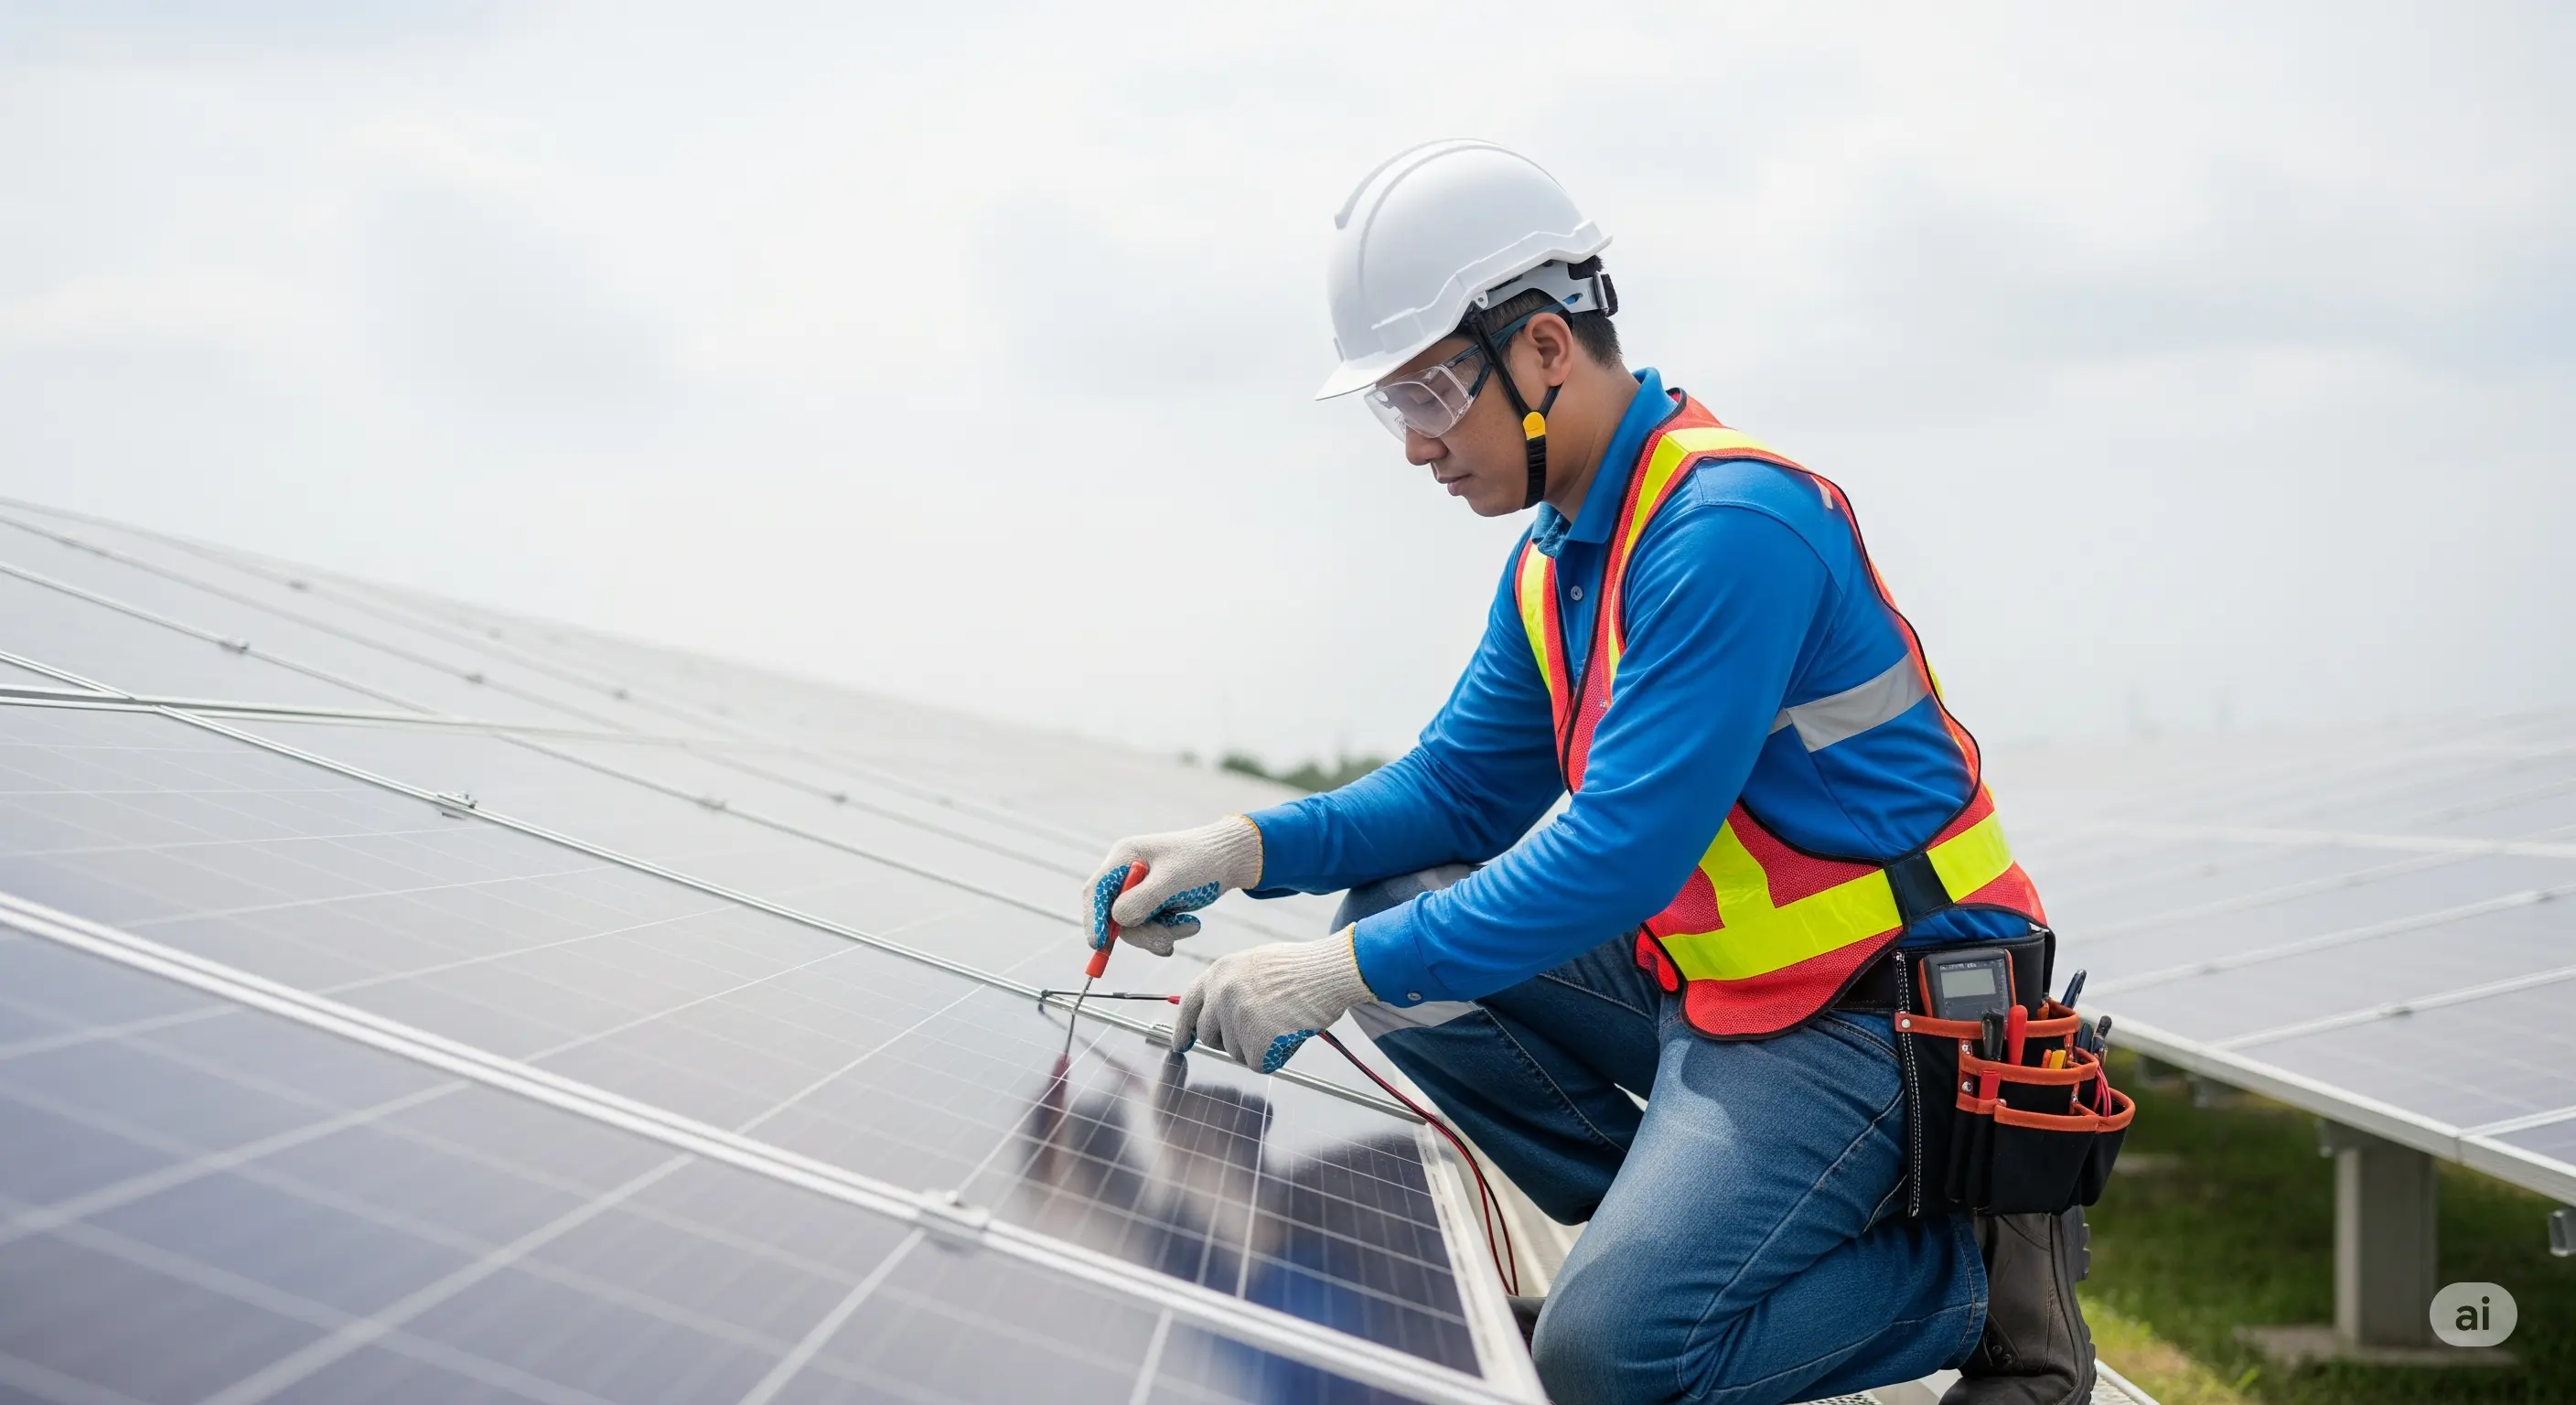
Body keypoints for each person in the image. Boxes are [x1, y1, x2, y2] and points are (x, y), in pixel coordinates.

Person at [1079, 139, 2093, 1405]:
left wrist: (1327, 978)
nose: (1414, 447)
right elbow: (1451, 795)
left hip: (1881, 1015)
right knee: (1394, 916)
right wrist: (1238, 848)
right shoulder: (1561, 560)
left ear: (1547, 351)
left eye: (1432, 396)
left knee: (1608, 1363)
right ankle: (1684, 1245)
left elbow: (1620, 849)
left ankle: (1967, 1281)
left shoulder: (1727, 534)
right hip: (1723, 991)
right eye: (1396, 407)